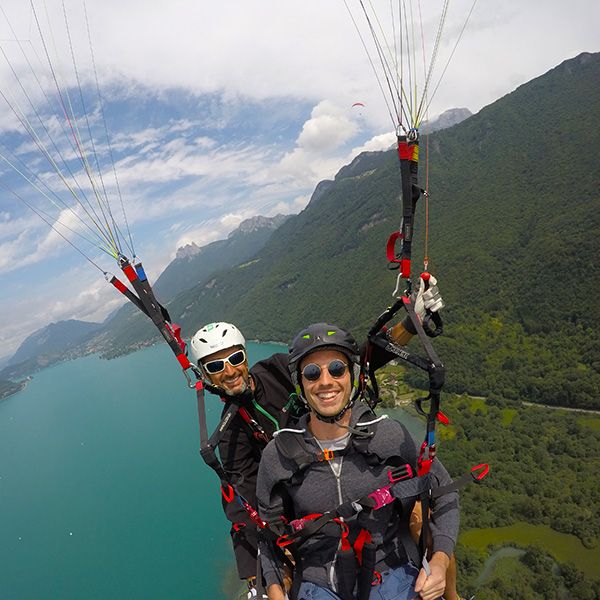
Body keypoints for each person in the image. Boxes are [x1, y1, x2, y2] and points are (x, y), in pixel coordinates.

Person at [188, 277, 447, 595]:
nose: (229, 371)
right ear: (205, 376)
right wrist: (265, 568)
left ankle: (450, 592)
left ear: (245, 355)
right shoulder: (230, 436)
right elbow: (249, 501)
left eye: (235, 359)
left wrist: (412, 322)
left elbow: (359, 363)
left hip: (351, 457)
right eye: (215, 365)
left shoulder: (281, 369)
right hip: (303, 498)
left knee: (422, 513)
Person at [255, 322, 459, 600]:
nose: (325, 381)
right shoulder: (278, 454)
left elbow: (444, 493)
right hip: (319, 586)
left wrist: (440, 561)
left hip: (393, 577)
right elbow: (268, 536)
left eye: (337, 369)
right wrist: (277, 592)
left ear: (352, 376)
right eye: (312, 373)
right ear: (301, 385)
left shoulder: (389, 436)